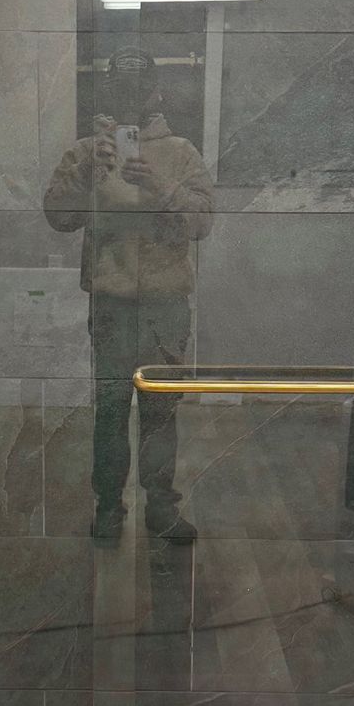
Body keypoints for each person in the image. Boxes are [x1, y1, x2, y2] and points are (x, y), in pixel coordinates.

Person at [43, 50, 214, 542]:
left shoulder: (181, 152)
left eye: (139, 88)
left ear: (156, 92)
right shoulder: (87, 151)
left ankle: (160, 507)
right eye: (121, 88)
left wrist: (161, 188)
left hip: (164, 305)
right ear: (109, 92)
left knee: (161, 412)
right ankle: (108, 507)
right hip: (112, 304)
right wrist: (85, 173)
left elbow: (202, 223)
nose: (131, 98)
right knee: (112, 410)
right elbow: (59, 217)